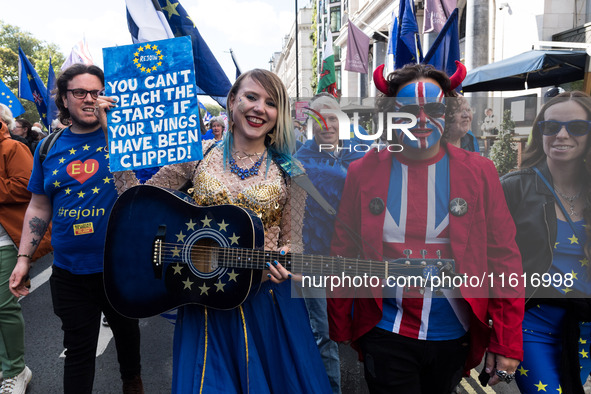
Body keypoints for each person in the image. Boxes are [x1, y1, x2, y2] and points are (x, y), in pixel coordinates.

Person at [97, 68, 331, 393]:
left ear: (279, 114)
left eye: (271, 102)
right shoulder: (196, 157)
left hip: (267, 308)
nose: (259, 108)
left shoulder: (291, 170)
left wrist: (288, 260)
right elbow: (138, 204)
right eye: (251, 97)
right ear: (233, 101)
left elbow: (294, 243)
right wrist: (115, 139)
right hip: (205, 307)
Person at [327, 63, 525, 393]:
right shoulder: (364, 171)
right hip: (386, 331)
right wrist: (341, 324)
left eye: (433, 109)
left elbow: (504, 256)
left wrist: (507, 342)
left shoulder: (479, 171)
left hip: (455, 336)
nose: (421, 121)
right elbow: (343, 250)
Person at [9, 64, 144, 394]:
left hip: (120, 267)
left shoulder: (126, 138)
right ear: (64, 99)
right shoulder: (46, 148)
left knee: (128, 336)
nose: (89, 99)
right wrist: (24, 258)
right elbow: (40, 205)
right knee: (78, 351)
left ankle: (133, 382)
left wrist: (118, 125)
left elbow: (150, 184)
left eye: (96, 92)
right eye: (80, 93)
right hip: (69, 271)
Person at [501, 91, 591, 394]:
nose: (561, 135)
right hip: (531, 323)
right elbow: (490, 262)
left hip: (584, 329)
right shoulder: (514, 188)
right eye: (551, 127)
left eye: (576, 127)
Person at [295, 93, 365, 394]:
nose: (327, 125)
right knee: (324, 334)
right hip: (317, 258)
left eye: (333, 118)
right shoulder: (299, 162)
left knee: (362, 328)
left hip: (357, 257)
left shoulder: (360, 156)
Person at [0, 104, 52, 394]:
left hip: (7, 239)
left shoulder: (12, 148)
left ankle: (16, 371)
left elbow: (26, 187)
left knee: (3, 306)